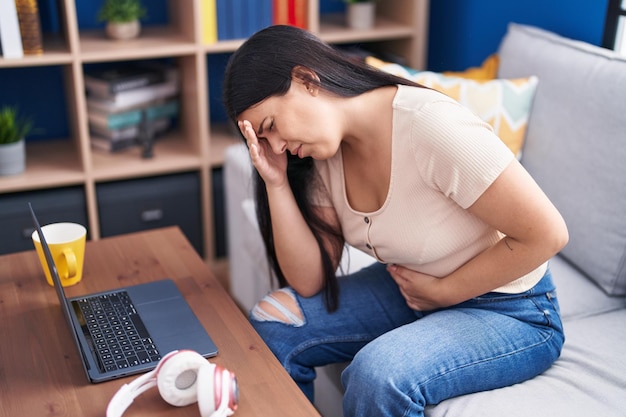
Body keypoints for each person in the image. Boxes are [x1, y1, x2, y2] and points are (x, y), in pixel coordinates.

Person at [223, 25, 568, 417]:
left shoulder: (430, 125)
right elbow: (308, 280)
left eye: (270, 128)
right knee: (276, 319)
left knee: (377, 374)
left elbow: (548, 233)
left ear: (307, 80)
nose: (278, 146)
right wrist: (277, 181)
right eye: (263, 141)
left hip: (512, 310)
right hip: (415, 287)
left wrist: (445, 291)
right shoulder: (321, 156)